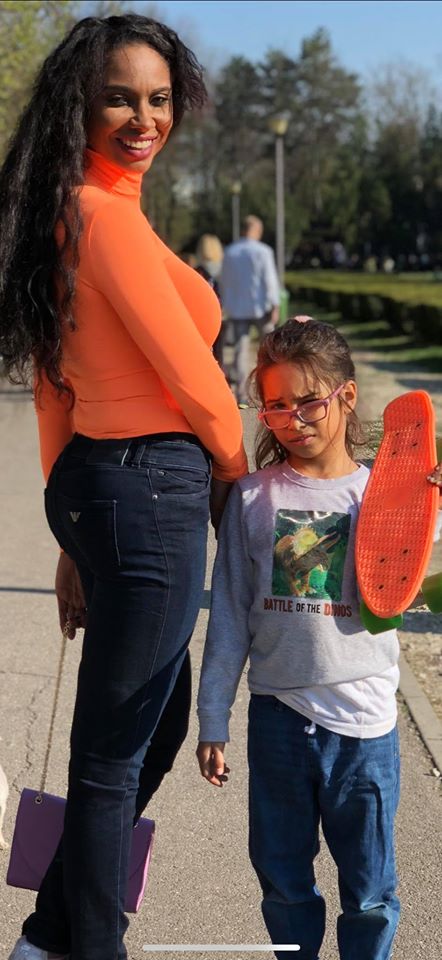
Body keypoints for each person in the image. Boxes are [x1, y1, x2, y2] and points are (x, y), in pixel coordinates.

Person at [0, 13, 247, 960]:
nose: (145, 119)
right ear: (79, 105)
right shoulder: (102, 219)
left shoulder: (70, 212)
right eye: (119, 99)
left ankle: (50, 935)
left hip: (103, 489)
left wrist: (74, 534)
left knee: (155, 720)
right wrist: (236, 481)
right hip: (148, 490)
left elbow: (53, 390)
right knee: (110, 757)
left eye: (159, 99)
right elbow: (195, 378)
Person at [196, 316, 442, 960]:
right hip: (278, 718)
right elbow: (229, 615)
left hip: (365, 725)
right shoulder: (252, 499)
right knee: (282, 883)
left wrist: (428, 511)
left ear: (347, 395)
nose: (293, 419)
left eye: (309, 401)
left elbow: (412, 588)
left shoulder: (385, 496)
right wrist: (213, 717)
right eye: (276, 405)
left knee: (370, 894)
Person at [219, 214, 280, 407]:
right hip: (260, 307)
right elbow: (269, 279)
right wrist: (275, 304)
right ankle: (273, 390)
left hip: (237, 308)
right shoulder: (263, 252)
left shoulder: (230, 252)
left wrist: (226, 305)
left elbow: (224, 281)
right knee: (270, 350)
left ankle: (242, 394)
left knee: (240, 352)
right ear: (256, 230)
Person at [194, 234, 224, 367]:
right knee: (219, 353)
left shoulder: (196, 271)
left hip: (201, 318)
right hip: (221, 315)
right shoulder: (224, 270)